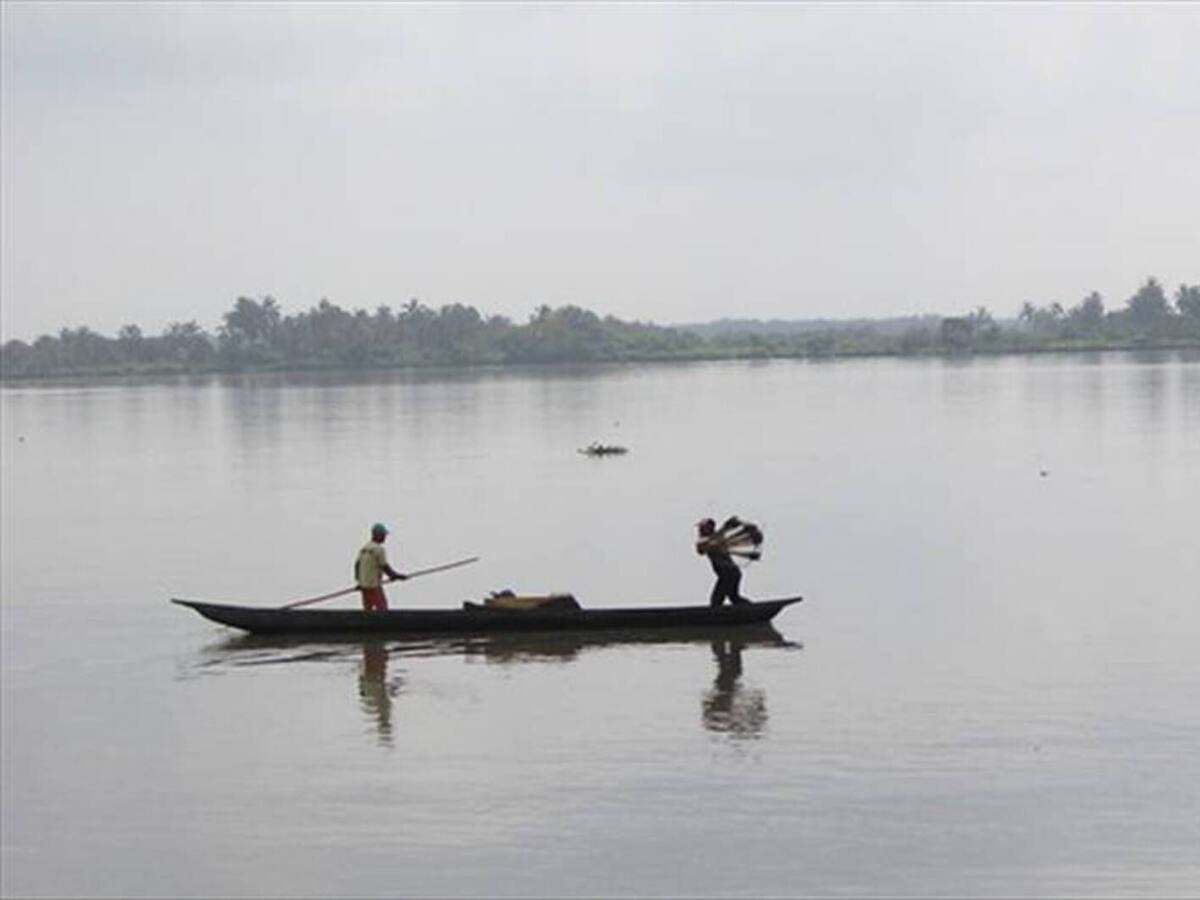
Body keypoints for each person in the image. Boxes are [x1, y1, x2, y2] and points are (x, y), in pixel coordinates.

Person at [696, 517, 750, 606]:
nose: (700, 530)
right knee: (734, 597)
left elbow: (712, 544)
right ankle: (748, 608)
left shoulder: (719, 539)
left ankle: (749, 609)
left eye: (702, 527)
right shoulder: (708, 540)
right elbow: (700, 550)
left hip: (729, 574)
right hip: (730, 574)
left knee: (716, 601)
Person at [355, 522, 406, 611]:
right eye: (383, 535)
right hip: (374, 586)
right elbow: (384, 566)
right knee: (382, 610)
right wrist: (395, 576)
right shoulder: (379, 549)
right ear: (377, 535)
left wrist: (359, 582)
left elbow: (357, 566)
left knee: (367, 612)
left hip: (364, 586)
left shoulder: (364, 549)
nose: (384, 537)